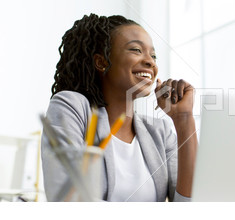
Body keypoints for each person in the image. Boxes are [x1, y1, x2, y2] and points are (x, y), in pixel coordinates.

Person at [41, 14, 197, 202]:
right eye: (136, 50)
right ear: (102, 62)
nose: (151, 62)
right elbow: (67, 199)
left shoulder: (160, 133)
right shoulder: (71, 107)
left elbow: (190, 206)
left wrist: (184, 120)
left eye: (153, 55)